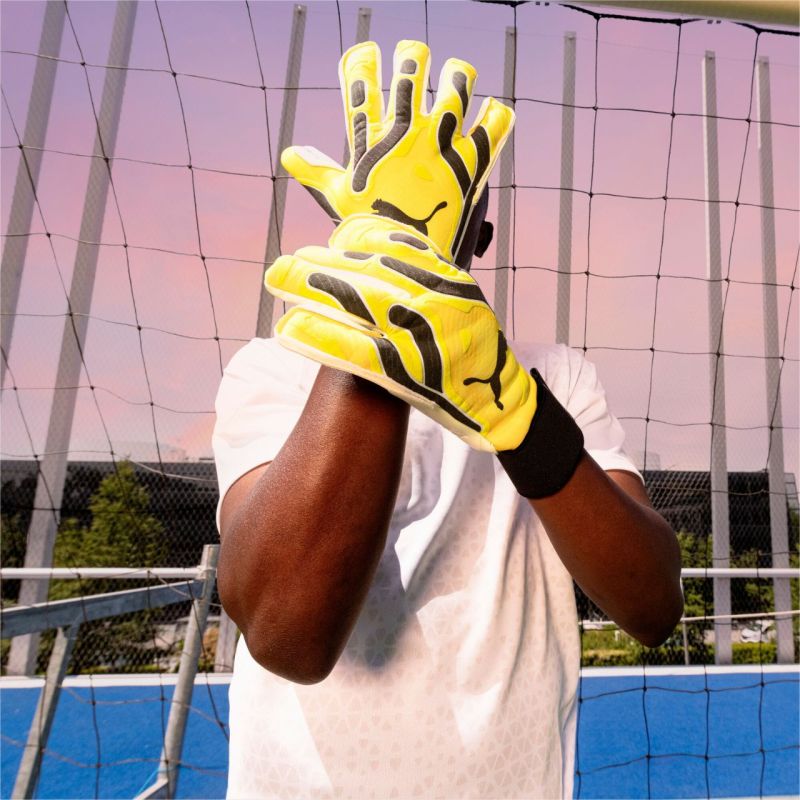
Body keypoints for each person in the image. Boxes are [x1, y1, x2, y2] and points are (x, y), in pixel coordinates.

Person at [212, 40, 683, 800]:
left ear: (480, 238)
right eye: (391, 207)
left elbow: (653, 605)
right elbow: (290, 635)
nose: (416, 223)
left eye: (435, 208)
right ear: (346, 212)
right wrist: (380, 312)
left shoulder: (556, 379)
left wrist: (521, 417)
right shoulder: (271, 369)